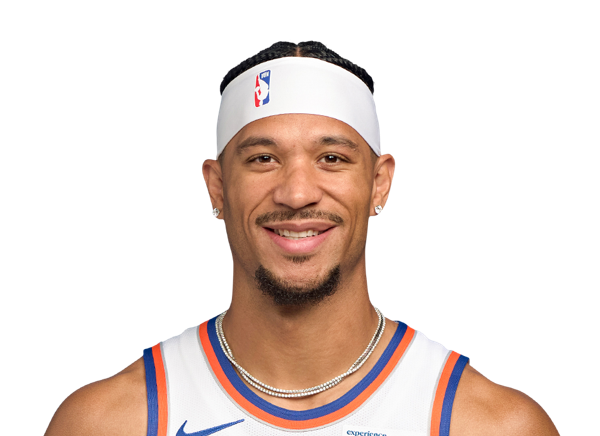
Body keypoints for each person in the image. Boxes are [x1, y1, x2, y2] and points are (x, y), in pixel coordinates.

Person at [45, 40, 560, 436]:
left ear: (379, 183)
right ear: (216, 186)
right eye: (262, 158)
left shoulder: (489, 426)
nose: (296, 193)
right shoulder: (111, 423)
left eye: (331, 158)